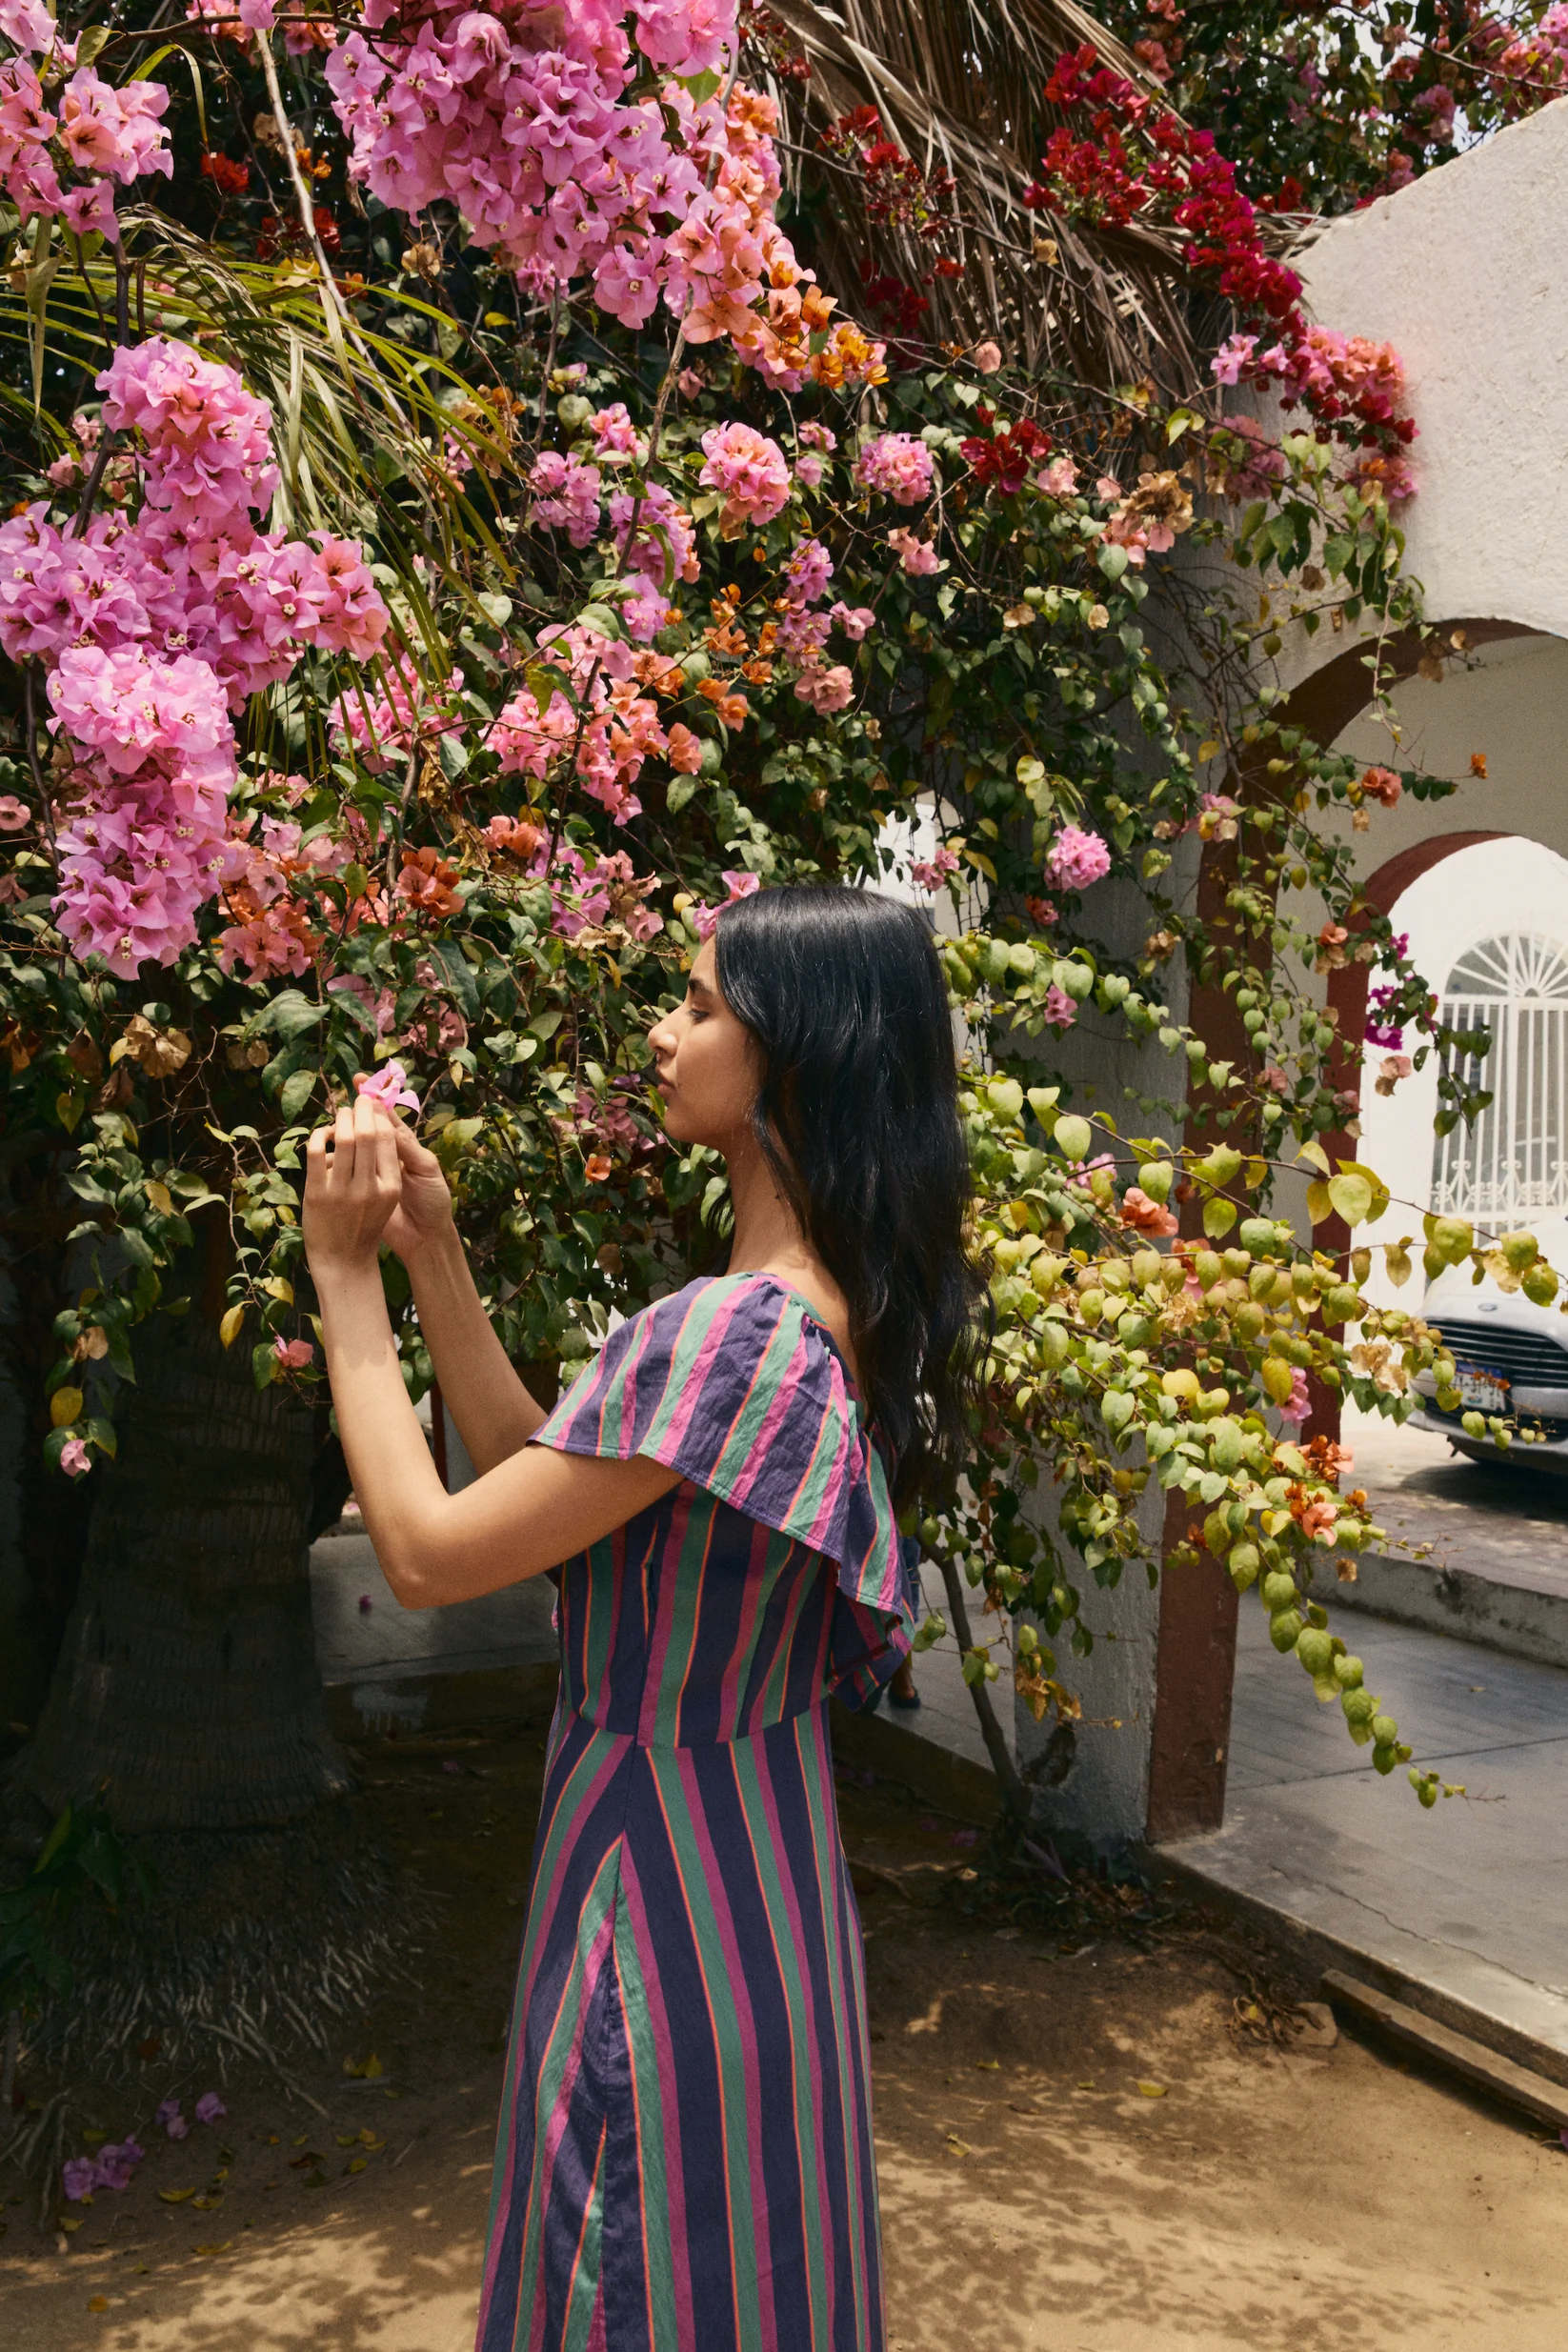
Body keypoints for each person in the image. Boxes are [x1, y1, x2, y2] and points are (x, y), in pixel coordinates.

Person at [303, 883, 985, 2352]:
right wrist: (433, 1257)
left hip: (653, 1898)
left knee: (629, 2272)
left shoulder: (726, 1333)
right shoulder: (820, 1309)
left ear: (789, 1053)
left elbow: (424, 1557)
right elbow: (559, 1507)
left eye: (695, 1007)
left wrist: (341, 1275)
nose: (661, 1036)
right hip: (759, 1877)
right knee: (748, 2275)